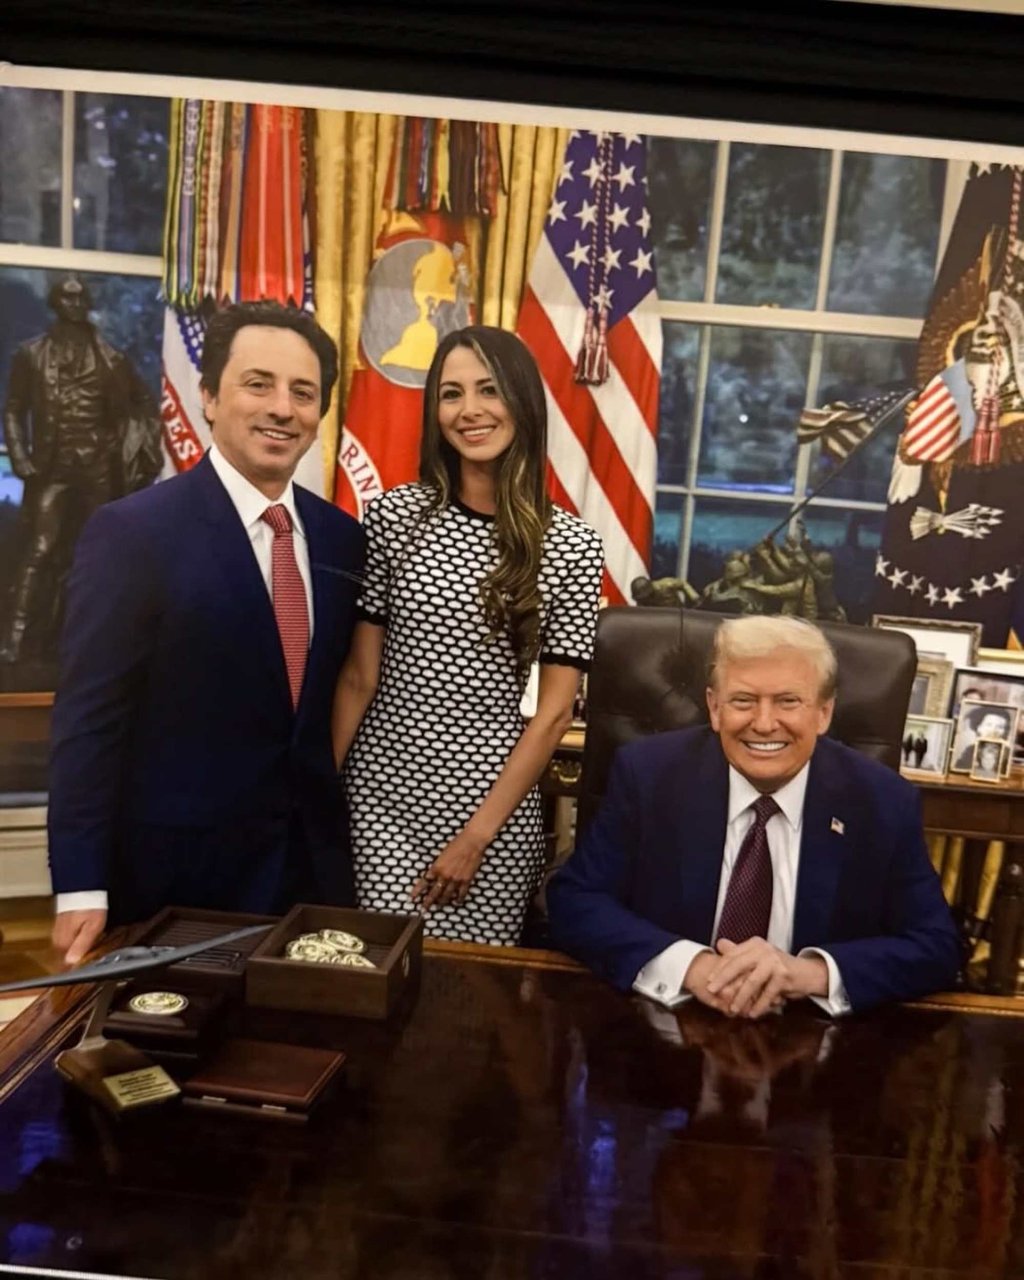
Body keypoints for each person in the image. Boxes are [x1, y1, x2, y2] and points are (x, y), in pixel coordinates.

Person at [48, 300, 365, 964]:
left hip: (310, 874)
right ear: (210, 397)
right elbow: (89, 720)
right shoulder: (132, 533)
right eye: (258, 384)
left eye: (302, 392)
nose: (282, 408)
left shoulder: (342, 539)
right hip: (177, 880)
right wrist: (79, 883)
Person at [332, 325, 604, 945]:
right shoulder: (394, 517)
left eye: (489, 389)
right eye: (450, 394)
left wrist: (475, 839)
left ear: (522, 401)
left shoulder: (572, 546)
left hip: (492, 810)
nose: (469, 410)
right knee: (377, 971)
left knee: (472, 992)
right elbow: (359, 676)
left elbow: (555, 714)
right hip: (380, 796)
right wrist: (324, 790)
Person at [547, 615, 960, 1016]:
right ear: (714, 708)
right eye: (743, 701)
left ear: (824, 713)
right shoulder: (649, 775)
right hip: (666, 1022)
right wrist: (692, 966)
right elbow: (575, 901)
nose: (764, 724)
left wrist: (807, 973)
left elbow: (937, 946)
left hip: (811, 1035)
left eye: (788, 702)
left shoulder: (882, 801)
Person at [1, 277, 162, 663]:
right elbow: (13, 409)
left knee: (96, 553)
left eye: (79, 298)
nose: (74, 304)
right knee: (39, 549)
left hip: (97, 469)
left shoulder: (112, 359)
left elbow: (143, 403)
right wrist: (20, 457)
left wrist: (127, 443)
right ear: (55, 302)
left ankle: (92, 638)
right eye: (67, 297)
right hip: (51, 469)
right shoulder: (31, 354)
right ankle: (15, 640)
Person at [953, 705, 1013, 771]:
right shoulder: (970, 751)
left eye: (1000, 727)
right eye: (989, 725)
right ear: (979, 728)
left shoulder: (1007, 753)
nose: (993, 730)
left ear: (1005, 731)